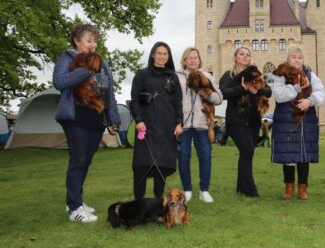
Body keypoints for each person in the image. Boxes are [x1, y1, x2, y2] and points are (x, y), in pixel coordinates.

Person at [53, 23, 121, 223]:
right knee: (78, 160)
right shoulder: (67, 58)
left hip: (95, 118)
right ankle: (74, 208)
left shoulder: (103, 62)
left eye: (95, 41)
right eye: (88, 40)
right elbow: (59, 82)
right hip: (76, 116)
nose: (93, 45)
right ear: (76, 41)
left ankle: (75, 201)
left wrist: (113, 118)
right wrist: (85, 70)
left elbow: (109, 93)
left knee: (86, 162)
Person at [130, 42, 183, 200]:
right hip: (146, 125)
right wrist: (138, 120)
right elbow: (134, 100)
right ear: (153, 54)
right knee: (141, 163)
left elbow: (177, 101)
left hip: (167, 126)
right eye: (158, 53)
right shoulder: (142, 74)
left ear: (169, 57)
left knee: (162, 163)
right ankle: (138, 201)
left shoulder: (172, 76)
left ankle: (158, 201)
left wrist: (179, 122)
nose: (161, 56)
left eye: (165, 53)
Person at [271, 46, 325, 200]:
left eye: (300, 57)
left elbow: (321, 94)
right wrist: (297, 87)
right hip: (285, 120)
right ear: (288, 59)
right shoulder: (280, 76)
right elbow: (279, 95)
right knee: (288, 154)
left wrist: (310, 100)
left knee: (303, 154)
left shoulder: (310, 75)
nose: (297, 59)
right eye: (294, 57)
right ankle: (289, 188)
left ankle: (302, 188)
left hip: (305, 120)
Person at [219, 47, 272, 197]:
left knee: (247, 153)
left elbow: (268, 91)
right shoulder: (229, 75)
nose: (245, 56)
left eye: (248, 54)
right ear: (235, 57)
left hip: (253, 121)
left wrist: (258, 92)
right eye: (241, 54)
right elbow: (223, 93)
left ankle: (241, 188)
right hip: (236, 121)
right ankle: (250, 190)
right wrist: (241, 88)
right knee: (247, 150)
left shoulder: (256, 75)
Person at [176, 47, 223, 203]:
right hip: (184, 124)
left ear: (199, 59)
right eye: (189, 57)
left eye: (195, 57)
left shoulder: (207, 76)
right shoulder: (177, 77)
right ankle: (187, 189)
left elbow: (219, 98)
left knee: (205, 156)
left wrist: (207, 94)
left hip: (202, 124)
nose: (192, 60)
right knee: (183, 157)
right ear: (184, 60)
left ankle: (204, 190)